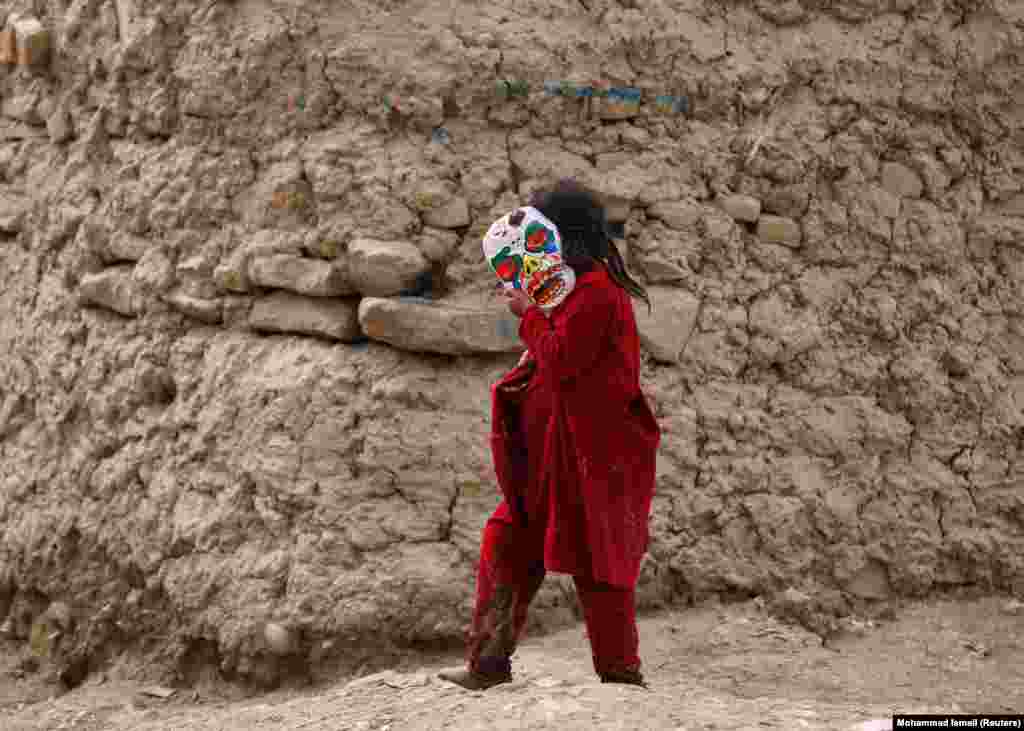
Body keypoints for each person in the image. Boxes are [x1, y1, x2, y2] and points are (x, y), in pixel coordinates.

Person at [438, 180, 661, 690]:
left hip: (591, 460)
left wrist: (529, 315)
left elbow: (562, 364)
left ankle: (622, 678)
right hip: (551, 458)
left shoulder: (599, 293)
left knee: (599, 561)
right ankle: (487, 665)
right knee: (508, 541)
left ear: (565, 235)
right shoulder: (566, 290)